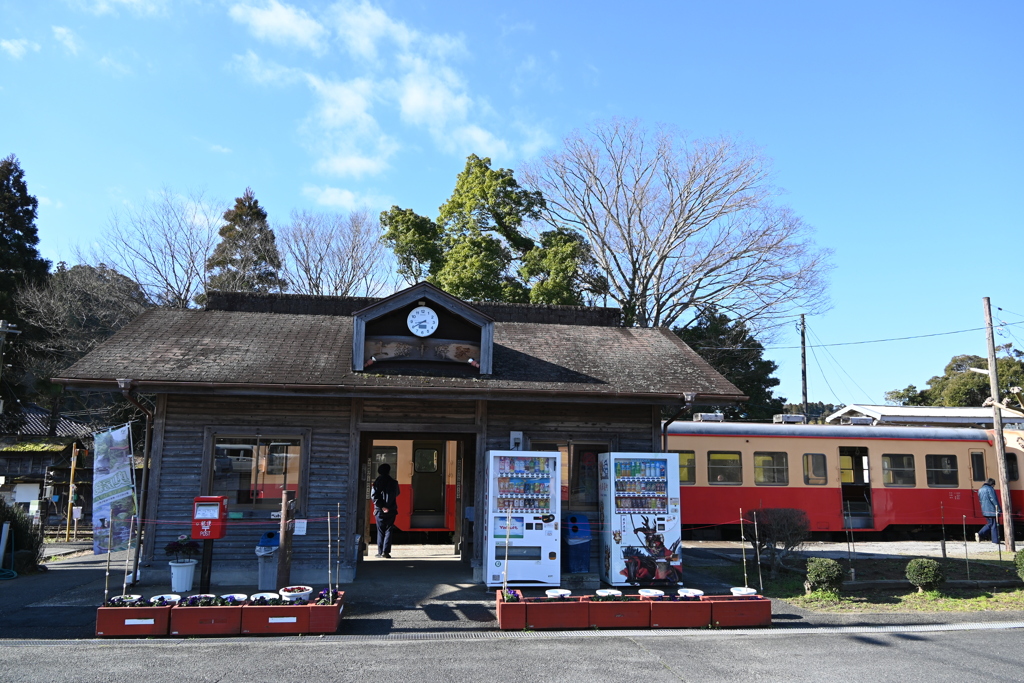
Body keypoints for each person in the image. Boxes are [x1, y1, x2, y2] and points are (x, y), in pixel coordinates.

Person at [371, 463, 400, 558]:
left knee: (381, 530)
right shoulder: (394, 482)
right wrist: (388, 505)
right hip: (392, 509)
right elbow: (397, 493)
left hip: (380, 510)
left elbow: (374, 496)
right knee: (389, 530)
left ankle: (380, 552)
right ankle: (386, 552)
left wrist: (382, 506)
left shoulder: (378, 482)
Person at [977, 478, 1000, 545]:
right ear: (992, 484)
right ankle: (995, 541)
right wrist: (998, 509)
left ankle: (980, 534)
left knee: (990, 523)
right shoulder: (990, 489)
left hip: (984, 510)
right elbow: (993, 499)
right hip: (992, 510)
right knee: (994, 525)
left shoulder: (980, 489)